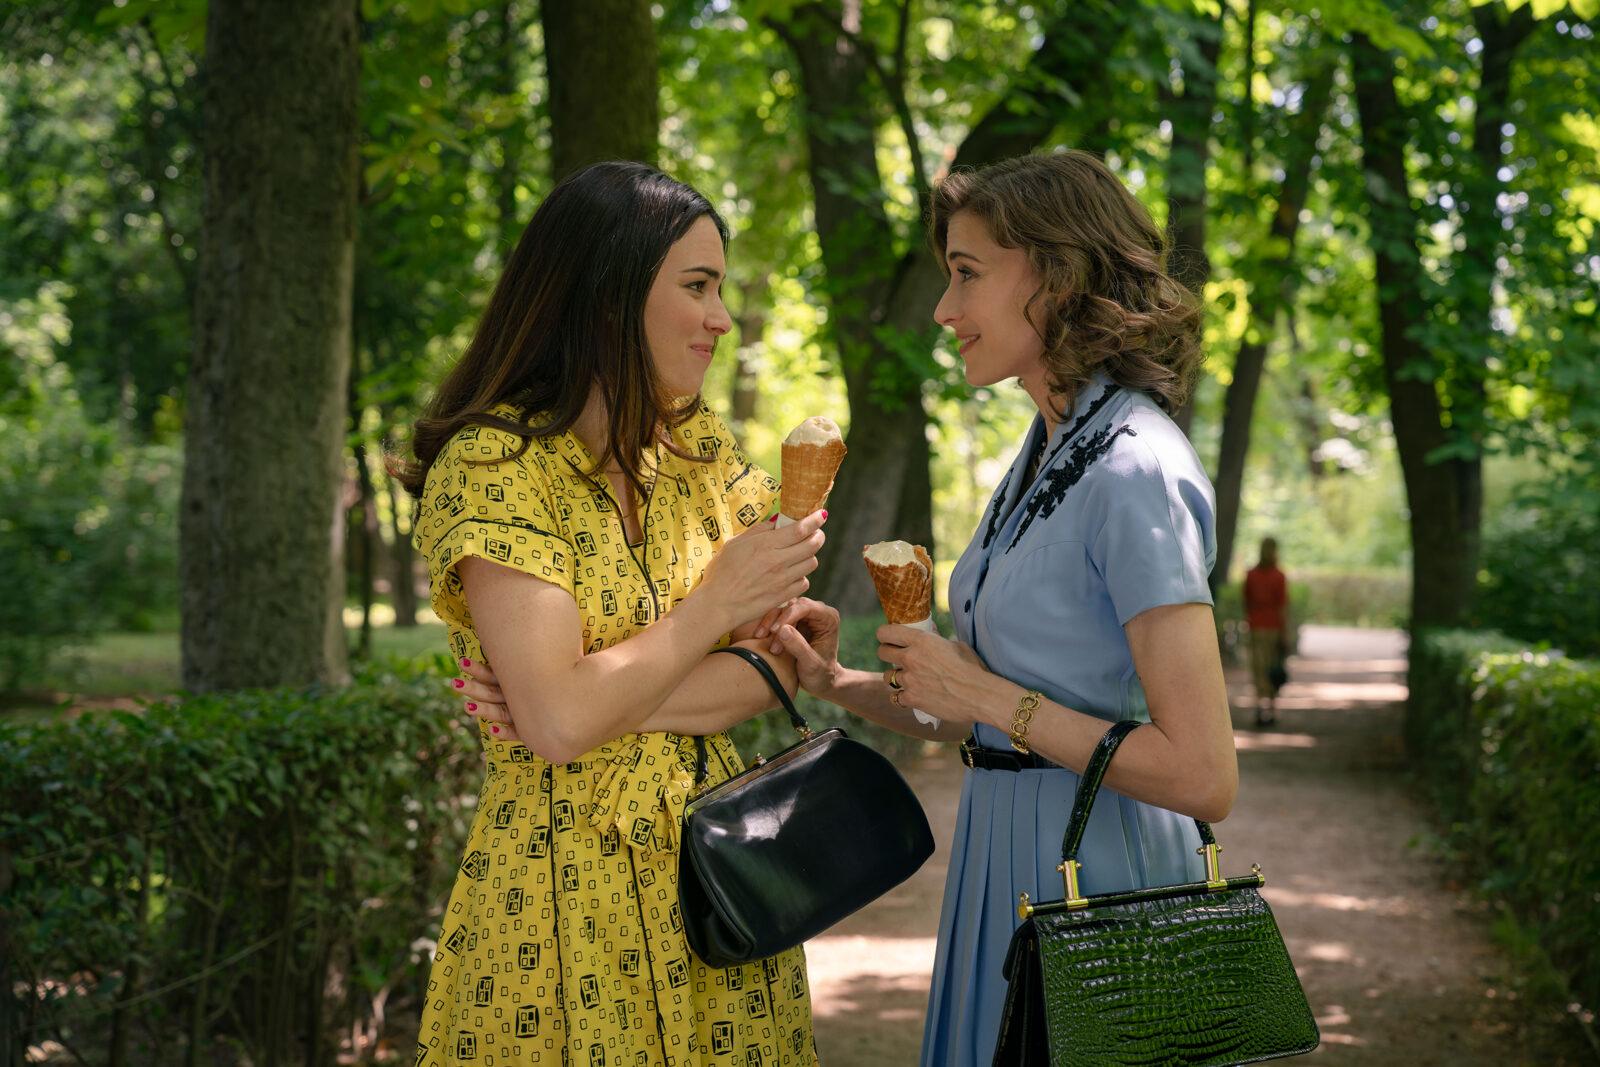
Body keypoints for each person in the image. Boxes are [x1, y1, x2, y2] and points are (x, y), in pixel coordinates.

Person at [752, 151, 1239, 1066]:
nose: (944, 309)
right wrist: (836, 678)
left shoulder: (1136, 468)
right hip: (1005, 863)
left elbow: (1205, 774)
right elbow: (982, 709)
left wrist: (990, 698)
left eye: (967, 273)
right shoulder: (1046, 449)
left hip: (1103, 881)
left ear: (1055, 276)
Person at [394, 161, 825, 1067]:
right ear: (609, 294)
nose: (721, 316)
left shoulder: (703, 457)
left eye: (721, 288)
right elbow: (563, 721)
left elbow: (781, 664)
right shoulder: (499, 465)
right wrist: (714, 609)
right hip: (557, 904)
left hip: (720, 891)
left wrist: (582, 698)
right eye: (697, 286)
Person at [1243, 536, 1291, 726]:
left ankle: (1260, 707)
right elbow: (1282, 606)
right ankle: (1270, 707)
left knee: (1258, 668)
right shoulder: (1278, 576)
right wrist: (1285, 632)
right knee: (1271, 668)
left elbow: (1246, 601)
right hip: (1272, 627)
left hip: (1256, 626)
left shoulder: (1251, 575)